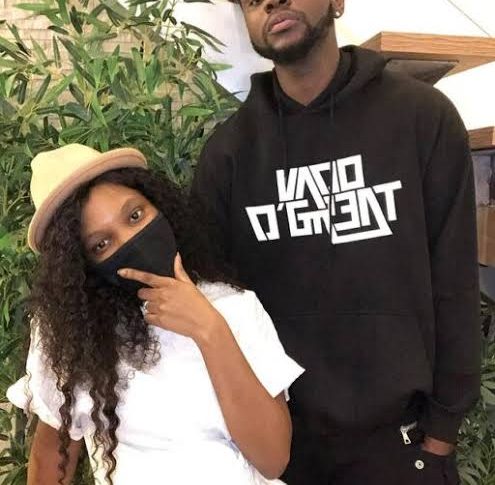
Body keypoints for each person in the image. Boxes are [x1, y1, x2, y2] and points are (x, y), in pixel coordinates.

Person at [191, 0, 481, 483]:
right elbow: (216, 311)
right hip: (284, 453)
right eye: (249, 1)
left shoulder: (421, 117)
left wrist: (441, 435)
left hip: (405, 446)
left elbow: (455, 282)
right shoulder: (228, 154)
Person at [7, 144, 304, 485]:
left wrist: (210, 330)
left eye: (135, 216)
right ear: (83, 266)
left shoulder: (233, 306)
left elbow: (272, 459)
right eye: (102, 244)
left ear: (158, 206)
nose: (131, 240)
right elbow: (51, 457)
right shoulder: (73, 338)